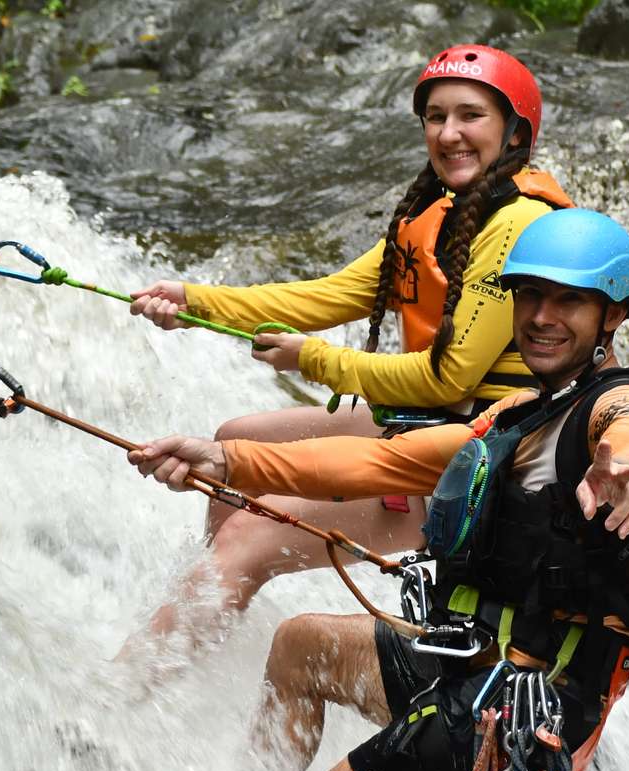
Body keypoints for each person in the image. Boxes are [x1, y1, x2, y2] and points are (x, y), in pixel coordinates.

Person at [127, 209, 629, 771]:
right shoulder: (521, 415)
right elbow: (379, 464)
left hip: (521, 715)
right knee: (299, 648)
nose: (542, 317)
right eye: (530, 296)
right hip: (470, 664)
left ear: (613, 315)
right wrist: (227, 461)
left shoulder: (622, 410)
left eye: (570, 301)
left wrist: (627, 469)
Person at [122, 45, 575, 648]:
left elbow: (450, 378)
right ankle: (207, 626)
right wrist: (195, 302)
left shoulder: (518, 223)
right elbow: (327, 296)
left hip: (488, 456)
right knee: (236, 436)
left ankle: (131, 684)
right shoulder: (440, 214)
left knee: (245, 535)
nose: (449, 134)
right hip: (435, 420)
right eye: (435, 117)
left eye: (471, 116)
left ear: (515, 132)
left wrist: (313, 360)